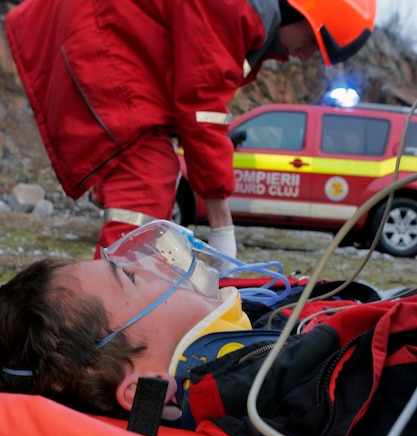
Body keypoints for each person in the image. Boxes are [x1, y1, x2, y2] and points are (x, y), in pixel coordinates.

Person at [0, 219, 416, 436]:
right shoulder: (290, 400)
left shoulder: (259, 322)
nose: (151, 259)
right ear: (143, 386)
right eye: (129, 274)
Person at [4, 0, 376, 263]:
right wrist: (222, 228)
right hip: (94, 39)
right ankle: (104, 332)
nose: (307, 55)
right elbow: (203, 112)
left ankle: (115, 310)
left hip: (98, 38)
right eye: (313, 42)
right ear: (298, 9)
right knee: (145, 179)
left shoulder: (243, 15)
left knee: (150, 181)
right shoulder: (230, 8)